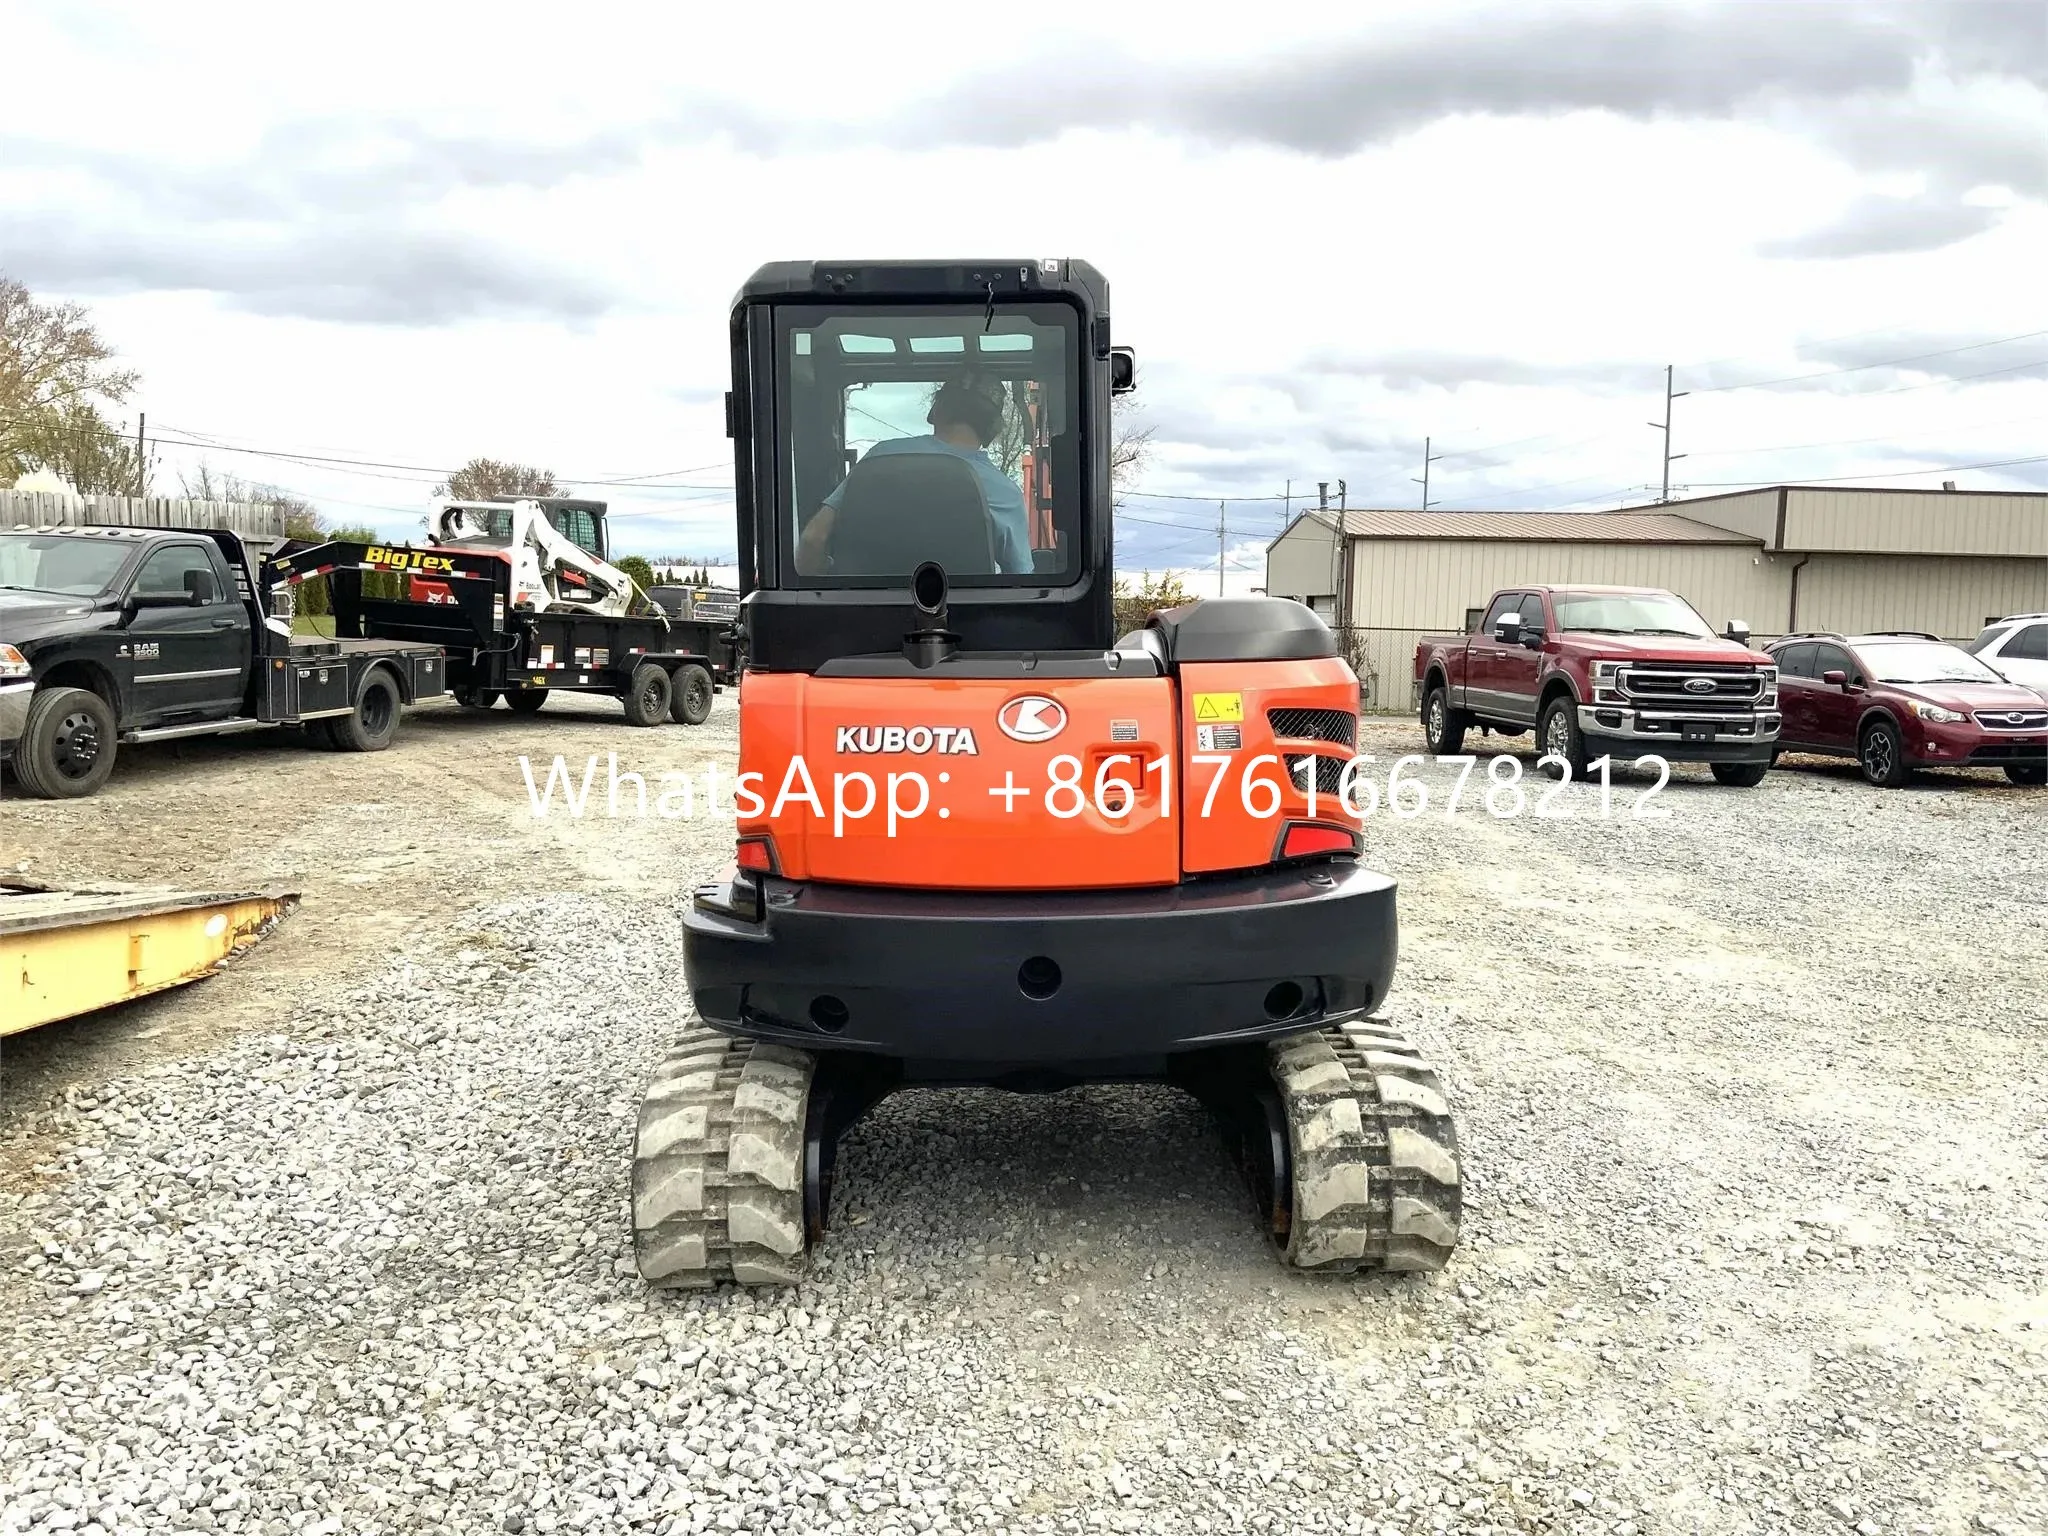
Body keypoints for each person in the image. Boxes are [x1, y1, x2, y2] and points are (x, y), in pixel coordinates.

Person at [795, 374, 1033, 576]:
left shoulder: (879, 459)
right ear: (992, 427)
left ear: (936, 410)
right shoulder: (1004, 492)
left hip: (862, 622)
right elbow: (1021, 580)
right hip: (967, 626)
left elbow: (812, 540)